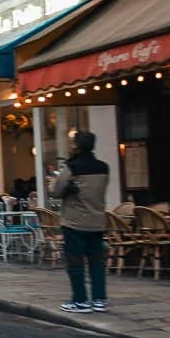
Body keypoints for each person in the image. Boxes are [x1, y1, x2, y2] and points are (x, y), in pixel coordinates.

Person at [50, 132, 112, 312]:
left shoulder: (72, 167)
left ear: (77, 146)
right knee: (96, 263)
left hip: (75, 222)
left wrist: (62, 185)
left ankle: (80, 300)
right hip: (97, 221)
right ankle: (99, 299)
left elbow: (56, 190)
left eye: (72, 143)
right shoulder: (103, 168)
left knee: (75, 263)